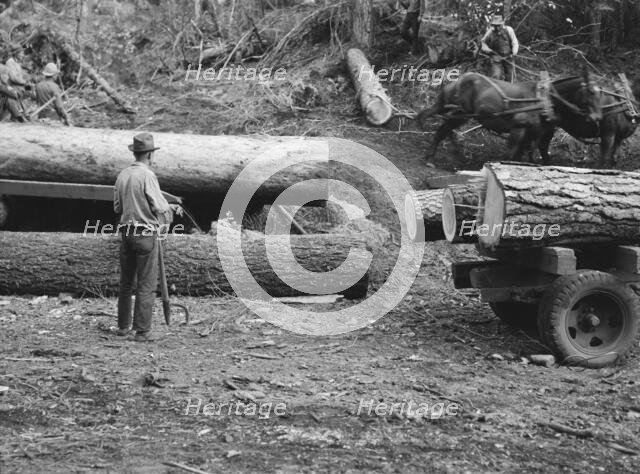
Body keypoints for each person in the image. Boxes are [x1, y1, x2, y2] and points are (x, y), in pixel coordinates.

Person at [114, 133, 173, 342]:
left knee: (126, 282)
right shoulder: (147, 175)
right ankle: (142, 331)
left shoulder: (122, 175)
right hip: (146, 235)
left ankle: (122, 327)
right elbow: (160, 206)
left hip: (126, 234)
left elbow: (117, 207)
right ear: (149, 155)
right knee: (146, 283)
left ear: (135, 152)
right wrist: (167, 217)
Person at [481, 14, 519, 82]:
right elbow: (483, 42)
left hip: (508, 57)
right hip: (496, 57)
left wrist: (514, 52)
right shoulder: (490, 32)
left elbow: (515, 42)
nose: (497, 27)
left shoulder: (509, 30)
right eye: (495, 26)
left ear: (502, 23)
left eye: (499, 25)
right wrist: (488, 50)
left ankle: (508, 91)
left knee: (510, 77)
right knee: (496, 75)